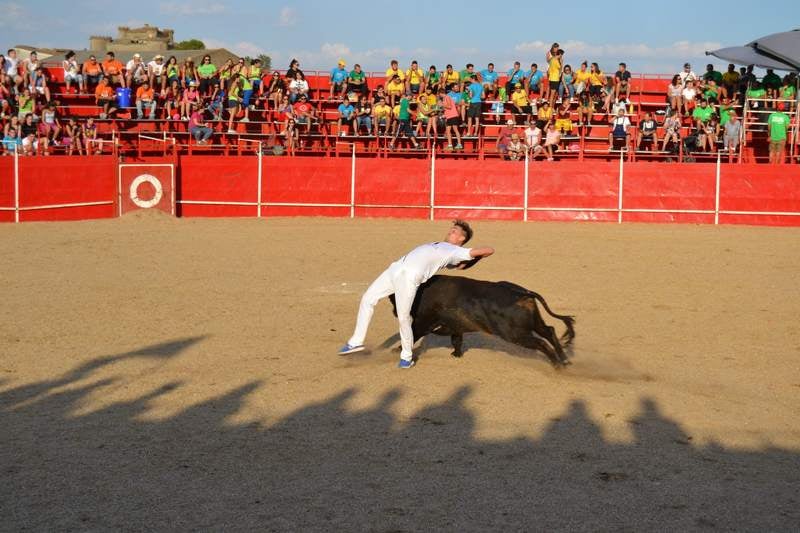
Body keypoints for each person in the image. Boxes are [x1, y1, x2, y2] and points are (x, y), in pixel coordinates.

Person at [338, 220, 494, 368]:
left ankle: (406, 357)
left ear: (461, 238)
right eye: (451, 229)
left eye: (455, 231)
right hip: (394, 270)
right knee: (368, 298)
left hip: (409, 277)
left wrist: (473, 256)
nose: (450, 231)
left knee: (404, 317)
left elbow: (489, 250)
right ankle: (356, 342)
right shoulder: (442, 246)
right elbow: (457, 266)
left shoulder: (458, 251)